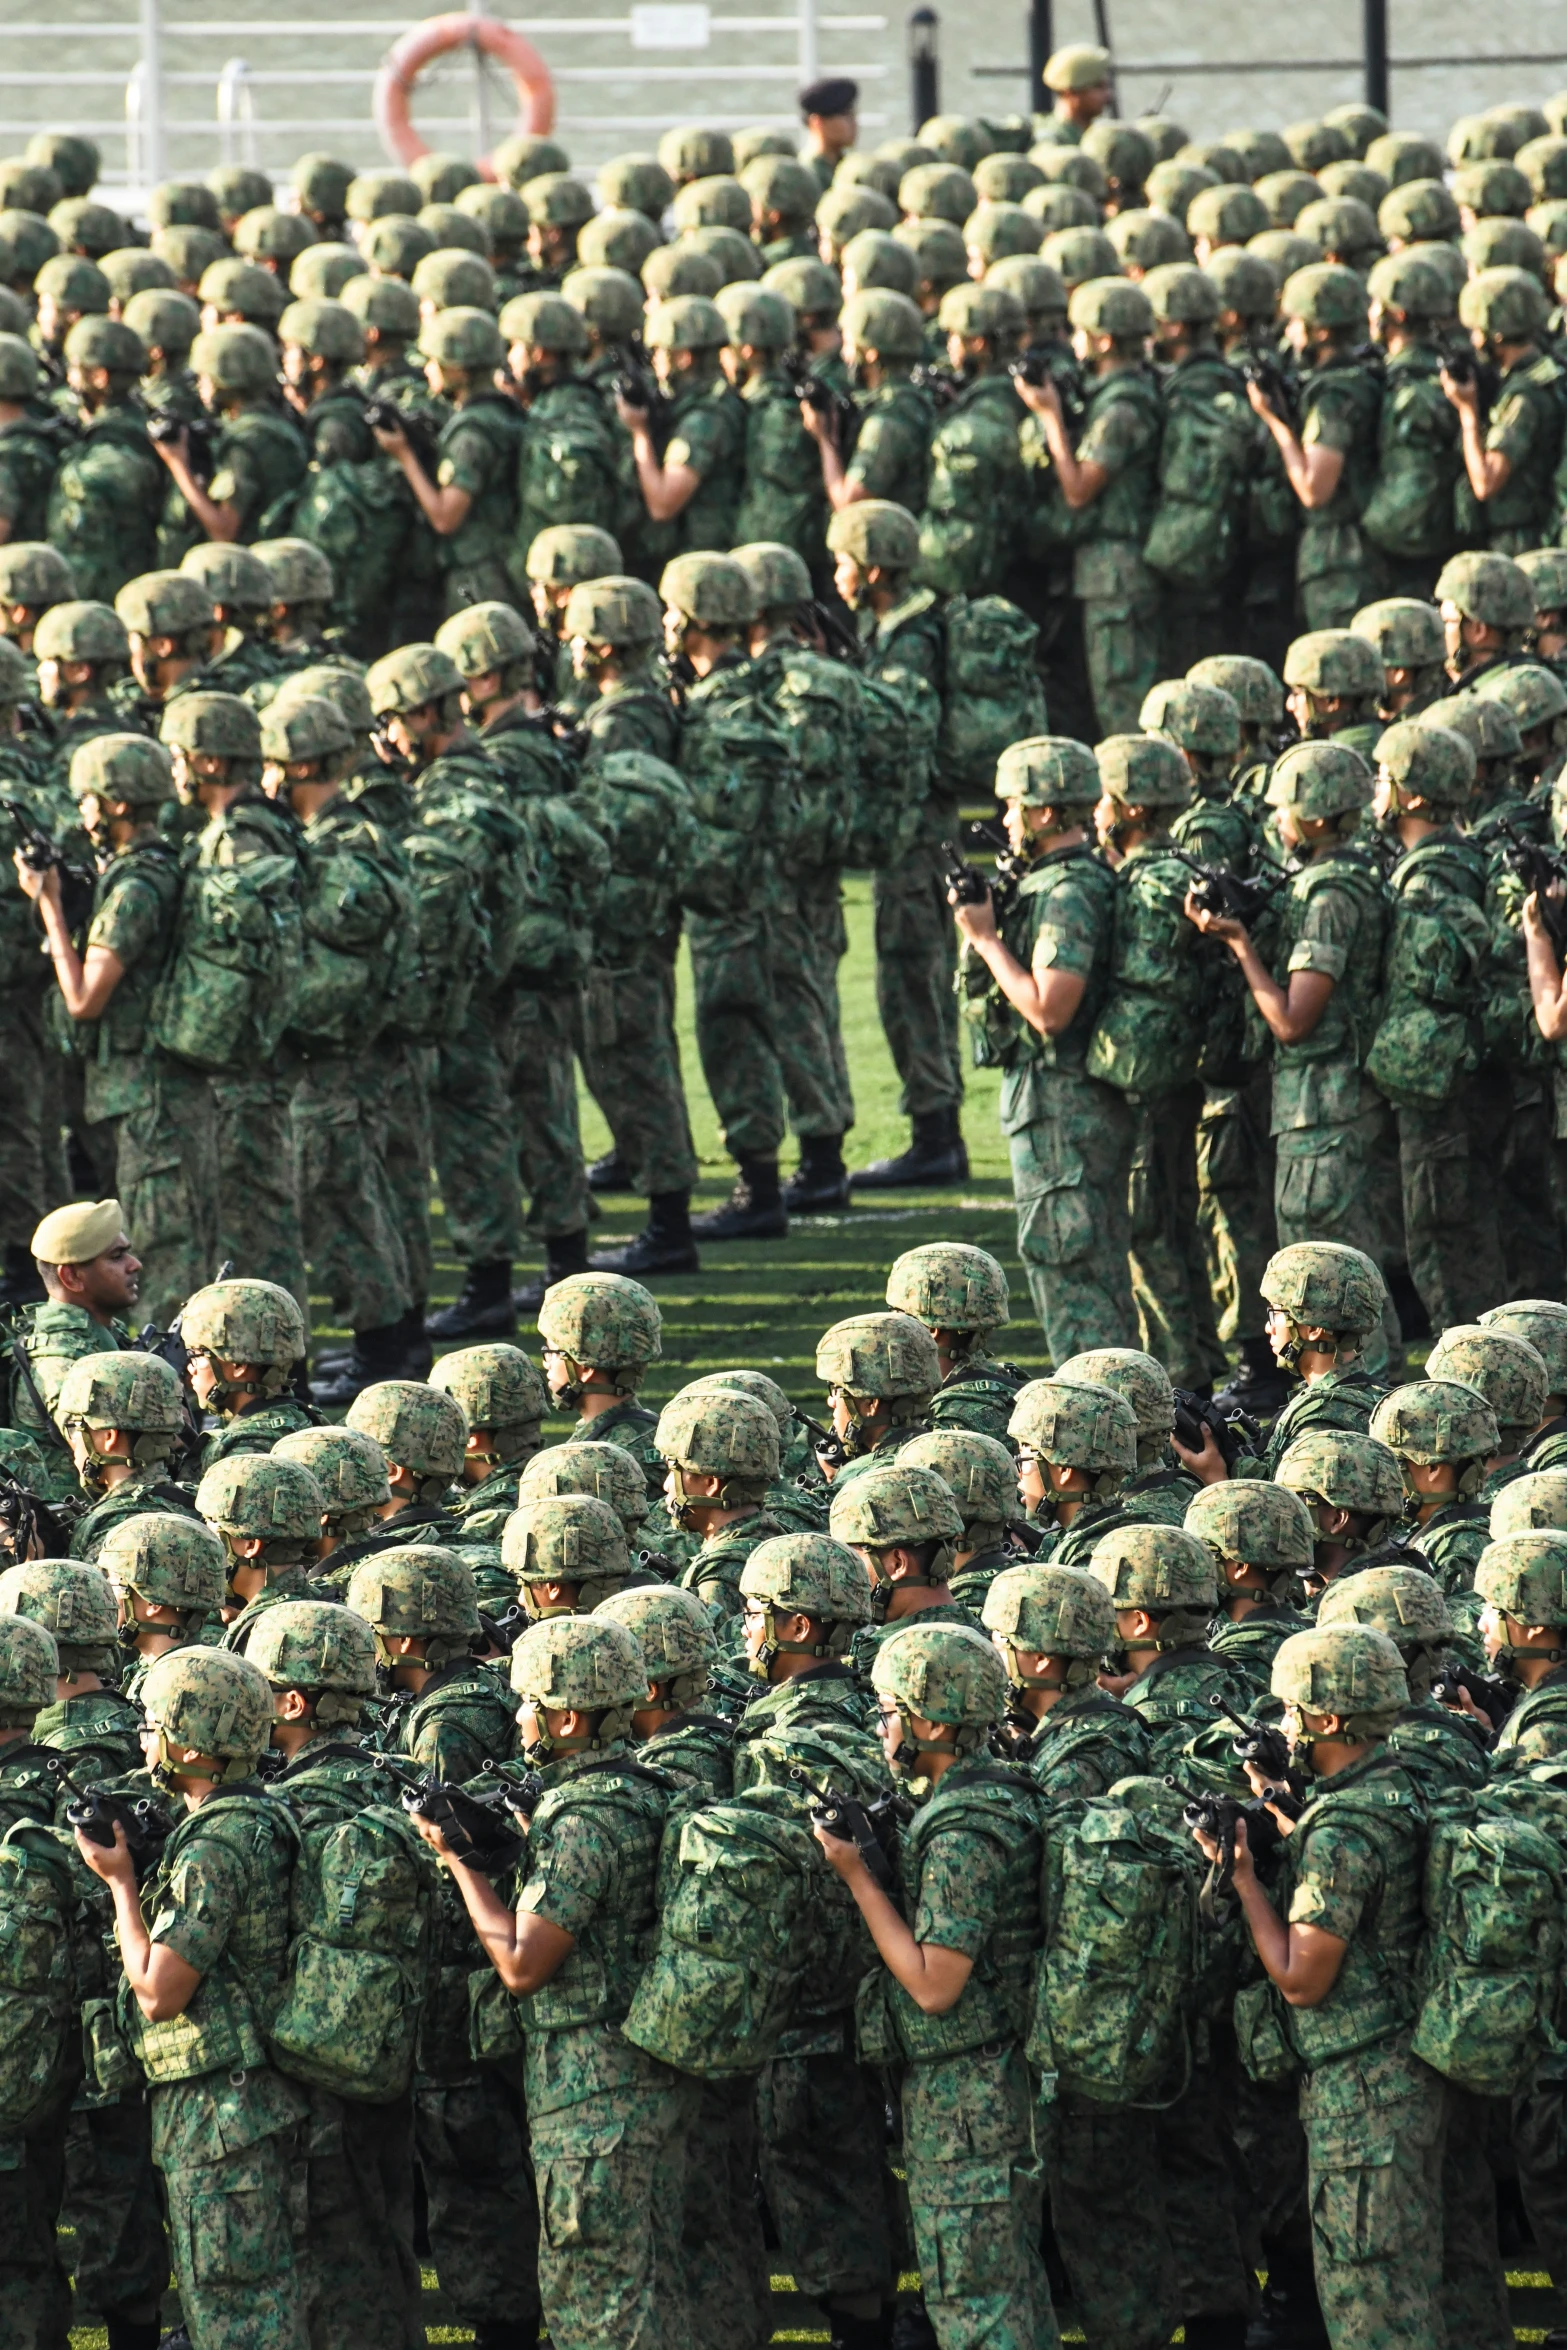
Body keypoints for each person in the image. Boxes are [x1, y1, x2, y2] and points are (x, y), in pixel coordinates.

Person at [409, 1613, 697, 2350]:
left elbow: (523, 1964)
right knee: (648, 2282)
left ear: (568, 1716)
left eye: (531, 1704)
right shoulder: (650, 1787)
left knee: (596, 2294)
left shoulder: (582, 1816)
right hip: (646, 2069)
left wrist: (461, 1863)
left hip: (591, 2086)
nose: (519, 1718)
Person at [1190, 1624, 1444, 2350]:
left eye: (1291, 1710)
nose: (1282, 1724)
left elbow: (1300, 1977)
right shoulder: (1400, 1784)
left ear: (1328, 1719)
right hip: (1405, 2066)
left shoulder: (1340, 1830)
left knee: (1372, 2307)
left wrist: (1240, 1878)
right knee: (1413, 2285)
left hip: (1360, 2089)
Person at [816, 1621, 1056, 2350]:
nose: (883, 1727)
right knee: (994, 2283)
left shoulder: (962, 1827)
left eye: (891, 1711)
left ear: (934, 1721)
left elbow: (933, 1985)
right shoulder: (986, 1797)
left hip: (970, 2090)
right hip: (975, 2080)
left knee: (976, 2294)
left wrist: (856, 1875)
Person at [74, 1645, 312, 2350]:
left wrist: (119, 1883)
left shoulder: (216, 1845)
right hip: (254, 2098)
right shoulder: (263, 1815)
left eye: (153, 1724)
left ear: (188, 1737)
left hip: (222, 2115)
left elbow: (159, 1990)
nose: (144, 1738)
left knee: (235, 2315)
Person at [16, 732, 216, 1322]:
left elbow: (83, 999)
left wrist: (49, 904)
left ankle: (177, 1392)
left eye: (90, 800)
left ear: (119, 804)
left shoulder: (134, 888)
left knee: (162, 1253)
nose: (84, 813)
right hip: (158, 1091)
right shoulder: (151, 867)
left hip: (152, 1096)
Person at [952, 734, 1135, 1362]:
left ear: (1048, 812)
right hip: (1062, 1104)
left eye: (1014, 806)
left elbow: (1050, 1009)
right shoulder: (1067, 880)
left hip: (1064, 1107)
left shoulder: (1067, 891)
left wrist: (985, 941)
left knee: (1073, 1268)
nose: (1006, 819)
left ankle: (1103, 1421)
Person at [664, 549, 797, 1238]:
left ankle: (758, 1187)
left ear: (691, 620)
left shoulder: (722, 707)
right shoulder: (757, 690)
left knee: (731, 1035)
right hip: (763, 897)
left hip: (731, 904)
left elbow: (727, 817)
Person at [1086, 731, 1224, 1389]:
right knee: (1175, 1218)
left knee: (1147, 1231)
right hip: (1178, 1073)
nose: (1096, 811)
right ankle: (1200, 1354)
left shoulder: (1140, 885)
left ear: (1132, 808)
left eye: (1104, 798)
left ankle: (1175, 1373)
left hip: (1138, 1076)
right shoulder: (1183, 869)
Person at [1015, 275, 1163, 735]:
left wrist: (1049, 416)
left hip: (1118, 577)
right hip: (1106, 573)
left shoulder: (1122, 407)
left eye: (1080, 332)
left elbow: (1079, 489)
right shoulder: (1112, 396)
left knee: (1123, 710)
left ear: (1103, 339)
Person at [3, 1196, 141, 1489]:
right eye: (117, 1257)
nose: (135, 1265)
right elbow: (109, 1459)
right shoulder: (60, 1363)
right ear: (73, 1277)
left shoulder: (97, 1334)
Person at [1188, 1478, 1318, 1692]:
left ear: (1239, 1566)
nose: (1197, 1568)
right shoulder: (1313, 1628)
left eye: (1205, 1555)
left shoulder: (1235, 1658)